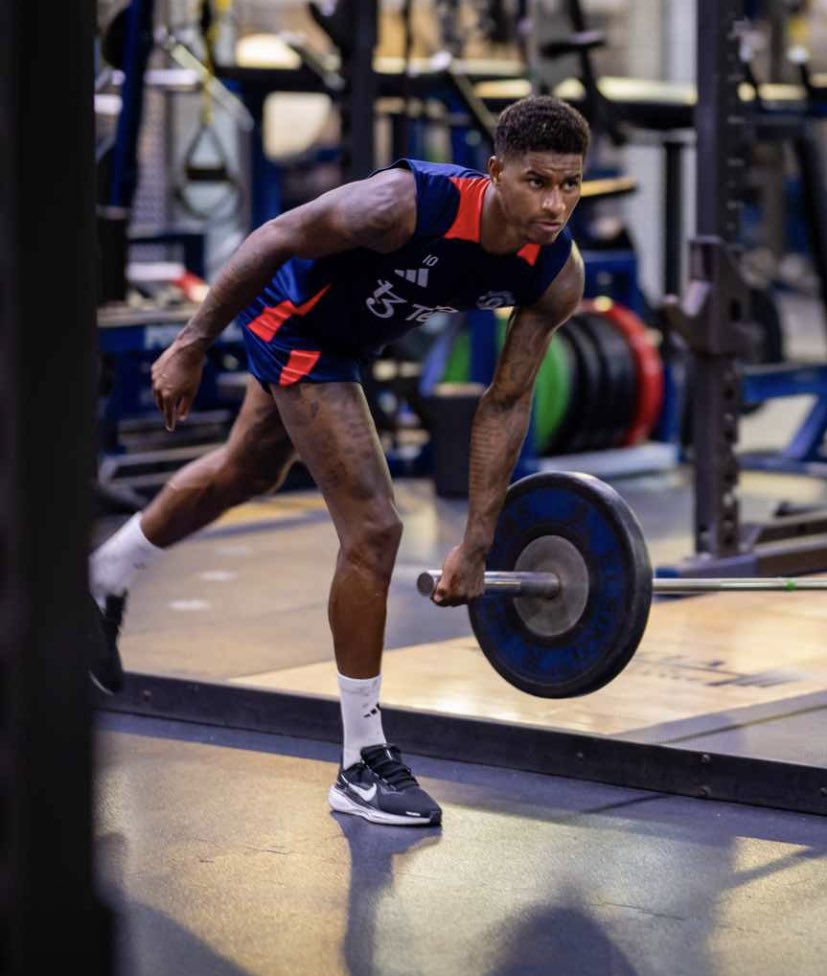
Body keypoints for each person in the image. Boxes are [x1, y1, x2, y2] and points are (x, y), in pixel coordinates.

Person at [90, 95, 589, 827]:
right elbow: (274, 235)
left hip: (350, 340)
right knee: (375, 528)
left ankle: (102, 570)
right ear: (495, 173)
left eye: (570, 184)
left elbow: (507, 402)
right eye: (537, 182)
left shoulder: (553, 272)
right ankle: (359, 760)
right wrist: (192, 342)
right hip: (292, 319)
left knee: (247, 471)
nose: (553, 204)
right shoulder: (402, 205)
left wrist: (477, 541)